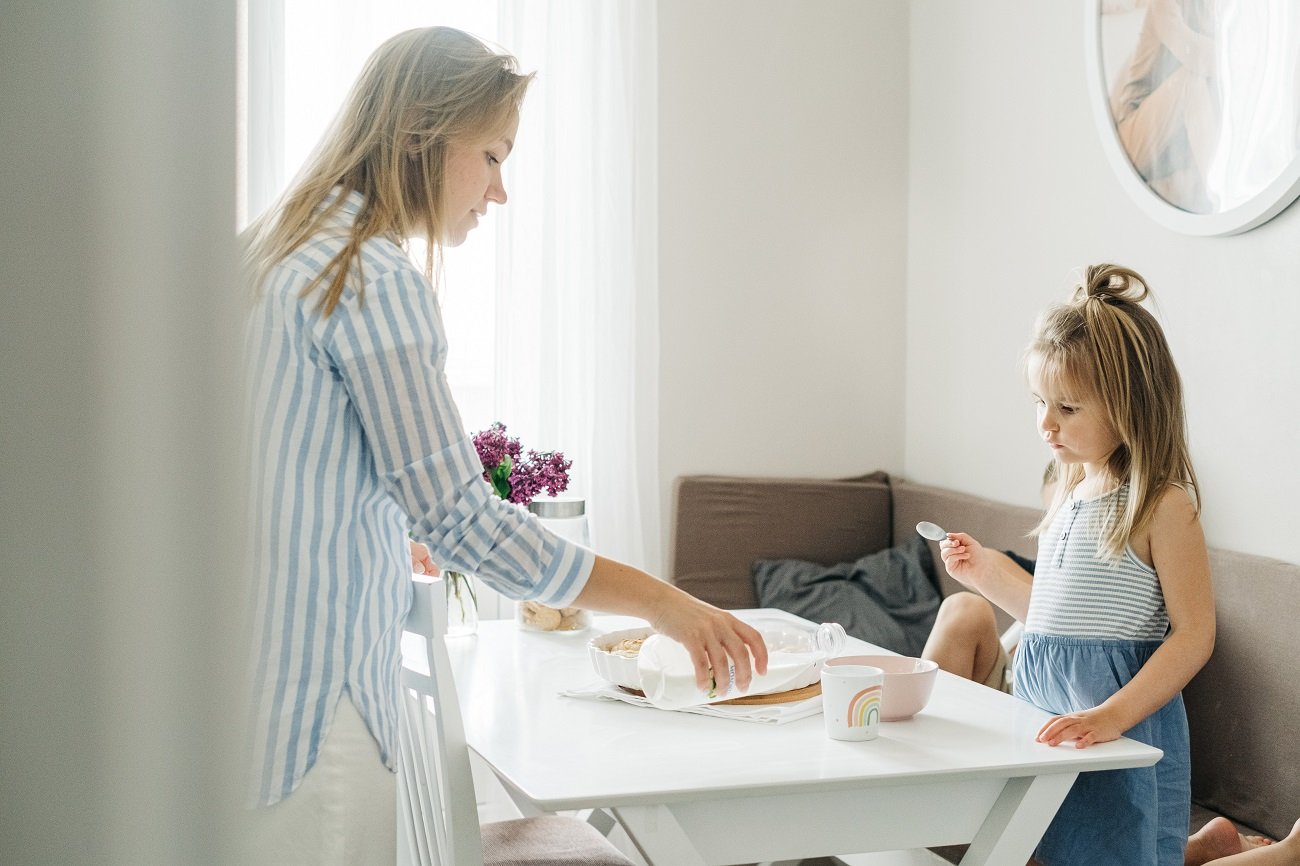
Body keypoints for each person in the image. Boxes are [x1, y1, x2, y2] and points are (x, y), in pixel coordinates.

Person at [240, 27, 767, 864]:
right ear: (420, 137)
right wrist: (669, 604)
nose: (499, 190)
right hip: (318, 711)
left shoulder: (273, 257)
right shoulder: (368, 278)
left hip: (244, 699)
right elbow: (465, 522)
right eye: (491, 156)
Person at [935, 263, 1216, 865]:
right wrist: (984, 574)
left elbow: (1194, 636)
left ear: (1130, 406)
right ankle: (1210, 848)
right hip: (1046, 713)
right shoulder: (1068, 492)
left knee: (1126, 853)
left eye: (1066, 407)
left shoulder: (1162, 505)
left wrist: (1114, 715)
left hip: (1116, 721)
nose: (1045, 423)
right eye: (1039, 402)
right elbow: (1057, 618)